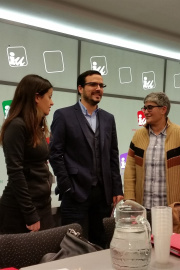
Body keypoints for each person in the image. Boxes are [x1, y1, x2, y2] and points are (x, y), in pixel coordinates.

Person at [49, 70, 123, 248]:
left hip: (103, 196)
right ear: (80, 88)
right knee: (74, 247)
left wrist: (117, 189)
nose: (98, 89)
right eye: (93, 85)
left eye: (101, 85)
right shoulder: (63, 115)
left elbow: (113, 155)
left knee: (101, 244)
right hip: (74, 194)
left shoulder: (108, 119)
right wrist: (66, 185)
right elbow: (54, 153)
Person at [0, 74, 55, 234]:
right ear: (37, 97)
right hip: (21, 212)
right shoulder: (17, 126)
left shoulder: (37, 127)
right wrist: (30, 214)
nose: (51, 102)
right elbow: (16, 172)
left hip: (42, 207)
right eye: (49, 97)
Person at [123, 92, 180, 211]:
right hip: (142, 209)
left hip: (171, 209)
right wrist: (130, 200)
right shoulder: (138, 136)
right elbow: (130, 171)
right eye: (144, 107)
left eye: (150, 107)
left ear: (163, 109)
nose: (145, 111)